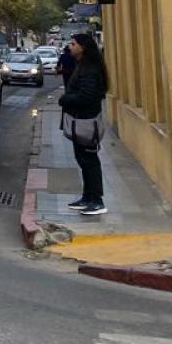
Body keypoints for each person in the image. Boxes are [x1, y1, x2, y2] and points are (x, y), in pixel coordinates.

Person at [58, 32, 108, 215]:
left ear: (83, 47)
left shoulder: (90, 69)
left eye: (73, 44)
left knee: (89, 160)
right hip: (80, 120)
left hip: (86, 121)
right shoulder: (83, 66)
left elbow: (87, 96)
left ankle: (97, 200)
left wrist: (66, 99)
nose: (70, 46)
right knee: (82, 159)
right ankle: (87, 197)